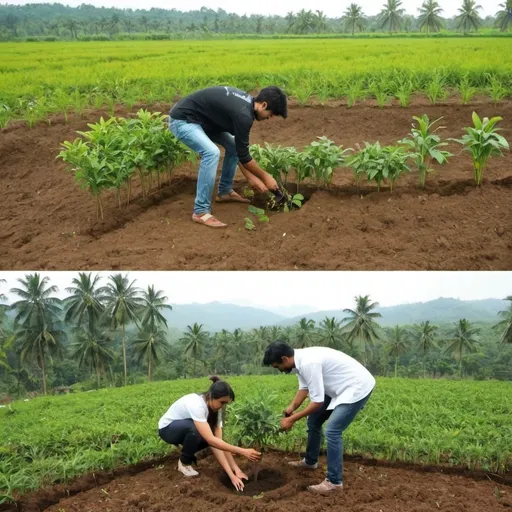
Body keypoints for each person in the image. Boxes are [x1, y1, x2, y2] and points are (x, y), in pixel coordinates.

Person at [263, 341, 375, 495]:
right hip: (337, 388)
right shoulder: (299, 361)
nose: (279, 370)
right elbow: (304, 388)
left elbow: (317, 402)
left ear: (284, 359)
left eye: (277, 366)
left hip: (356, 386)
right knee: (314, 420)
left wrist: (291, 419)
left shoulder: (309, 363)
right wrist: (291, 408)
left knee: (333, 430)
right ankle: (310, 462)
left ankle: (334, 482)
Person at [169, 85, 287, 228]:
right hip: (183, 120)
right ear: (264, 105)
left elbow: (239, 150)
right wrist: (265, 177)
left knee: (232, 145)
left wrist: (252, 177)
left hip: (204, 122)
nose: (270, 117)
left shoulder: (246, 104)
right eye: (272, 113)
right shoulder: (243, 115)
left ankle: (224, 191)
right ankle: (200, 211)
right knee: (211, 153)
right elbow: (244, 156)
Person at [158, 376, 260, 491]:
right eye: (222, 402)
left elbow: (218, 444)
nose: (223, 406)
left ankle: (186, 455)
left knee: (208, 437)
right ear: (211, 396)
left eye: (226, 403)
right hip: (168, 429)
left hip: (186, 429)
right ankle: (184, 463)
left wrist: (236, 471)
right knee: (196, 430)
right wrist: (242, 451)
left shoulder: (217, 411)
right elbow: (211, 440)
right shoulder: (197, 405)